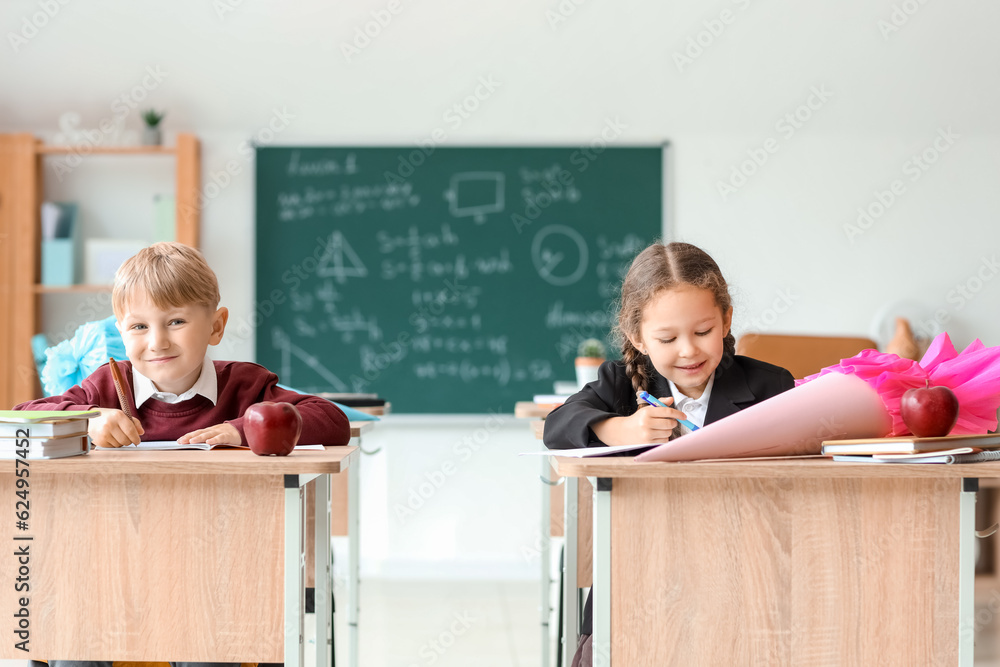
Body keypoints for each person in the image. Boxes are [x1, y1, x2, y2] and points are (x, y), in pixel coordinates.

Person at [16, 242, 350, 667]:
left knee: (206, 646)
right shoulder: (103, 388)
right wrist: (87, 419)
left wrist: (241, 428)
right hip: (114, 570)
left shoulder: (245, 386)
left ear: (216, 326)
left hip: (217, 574)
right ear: (120, 331)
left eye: (176, 321)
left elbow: (330, 418)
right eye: (138, 326)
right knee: (74, 637)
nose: (156, 342)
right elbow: (23, 416)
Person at [543, 241, 795, 666]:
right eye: (667, 337)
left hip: (741, 579)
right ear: (637, 336)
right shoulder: (620, 384)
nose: (688, 351)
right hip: (636, 580)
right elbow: (557, 426)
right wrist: (620, 427)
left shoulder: (770, 386)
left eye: (703, 332)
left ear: (726, 319)